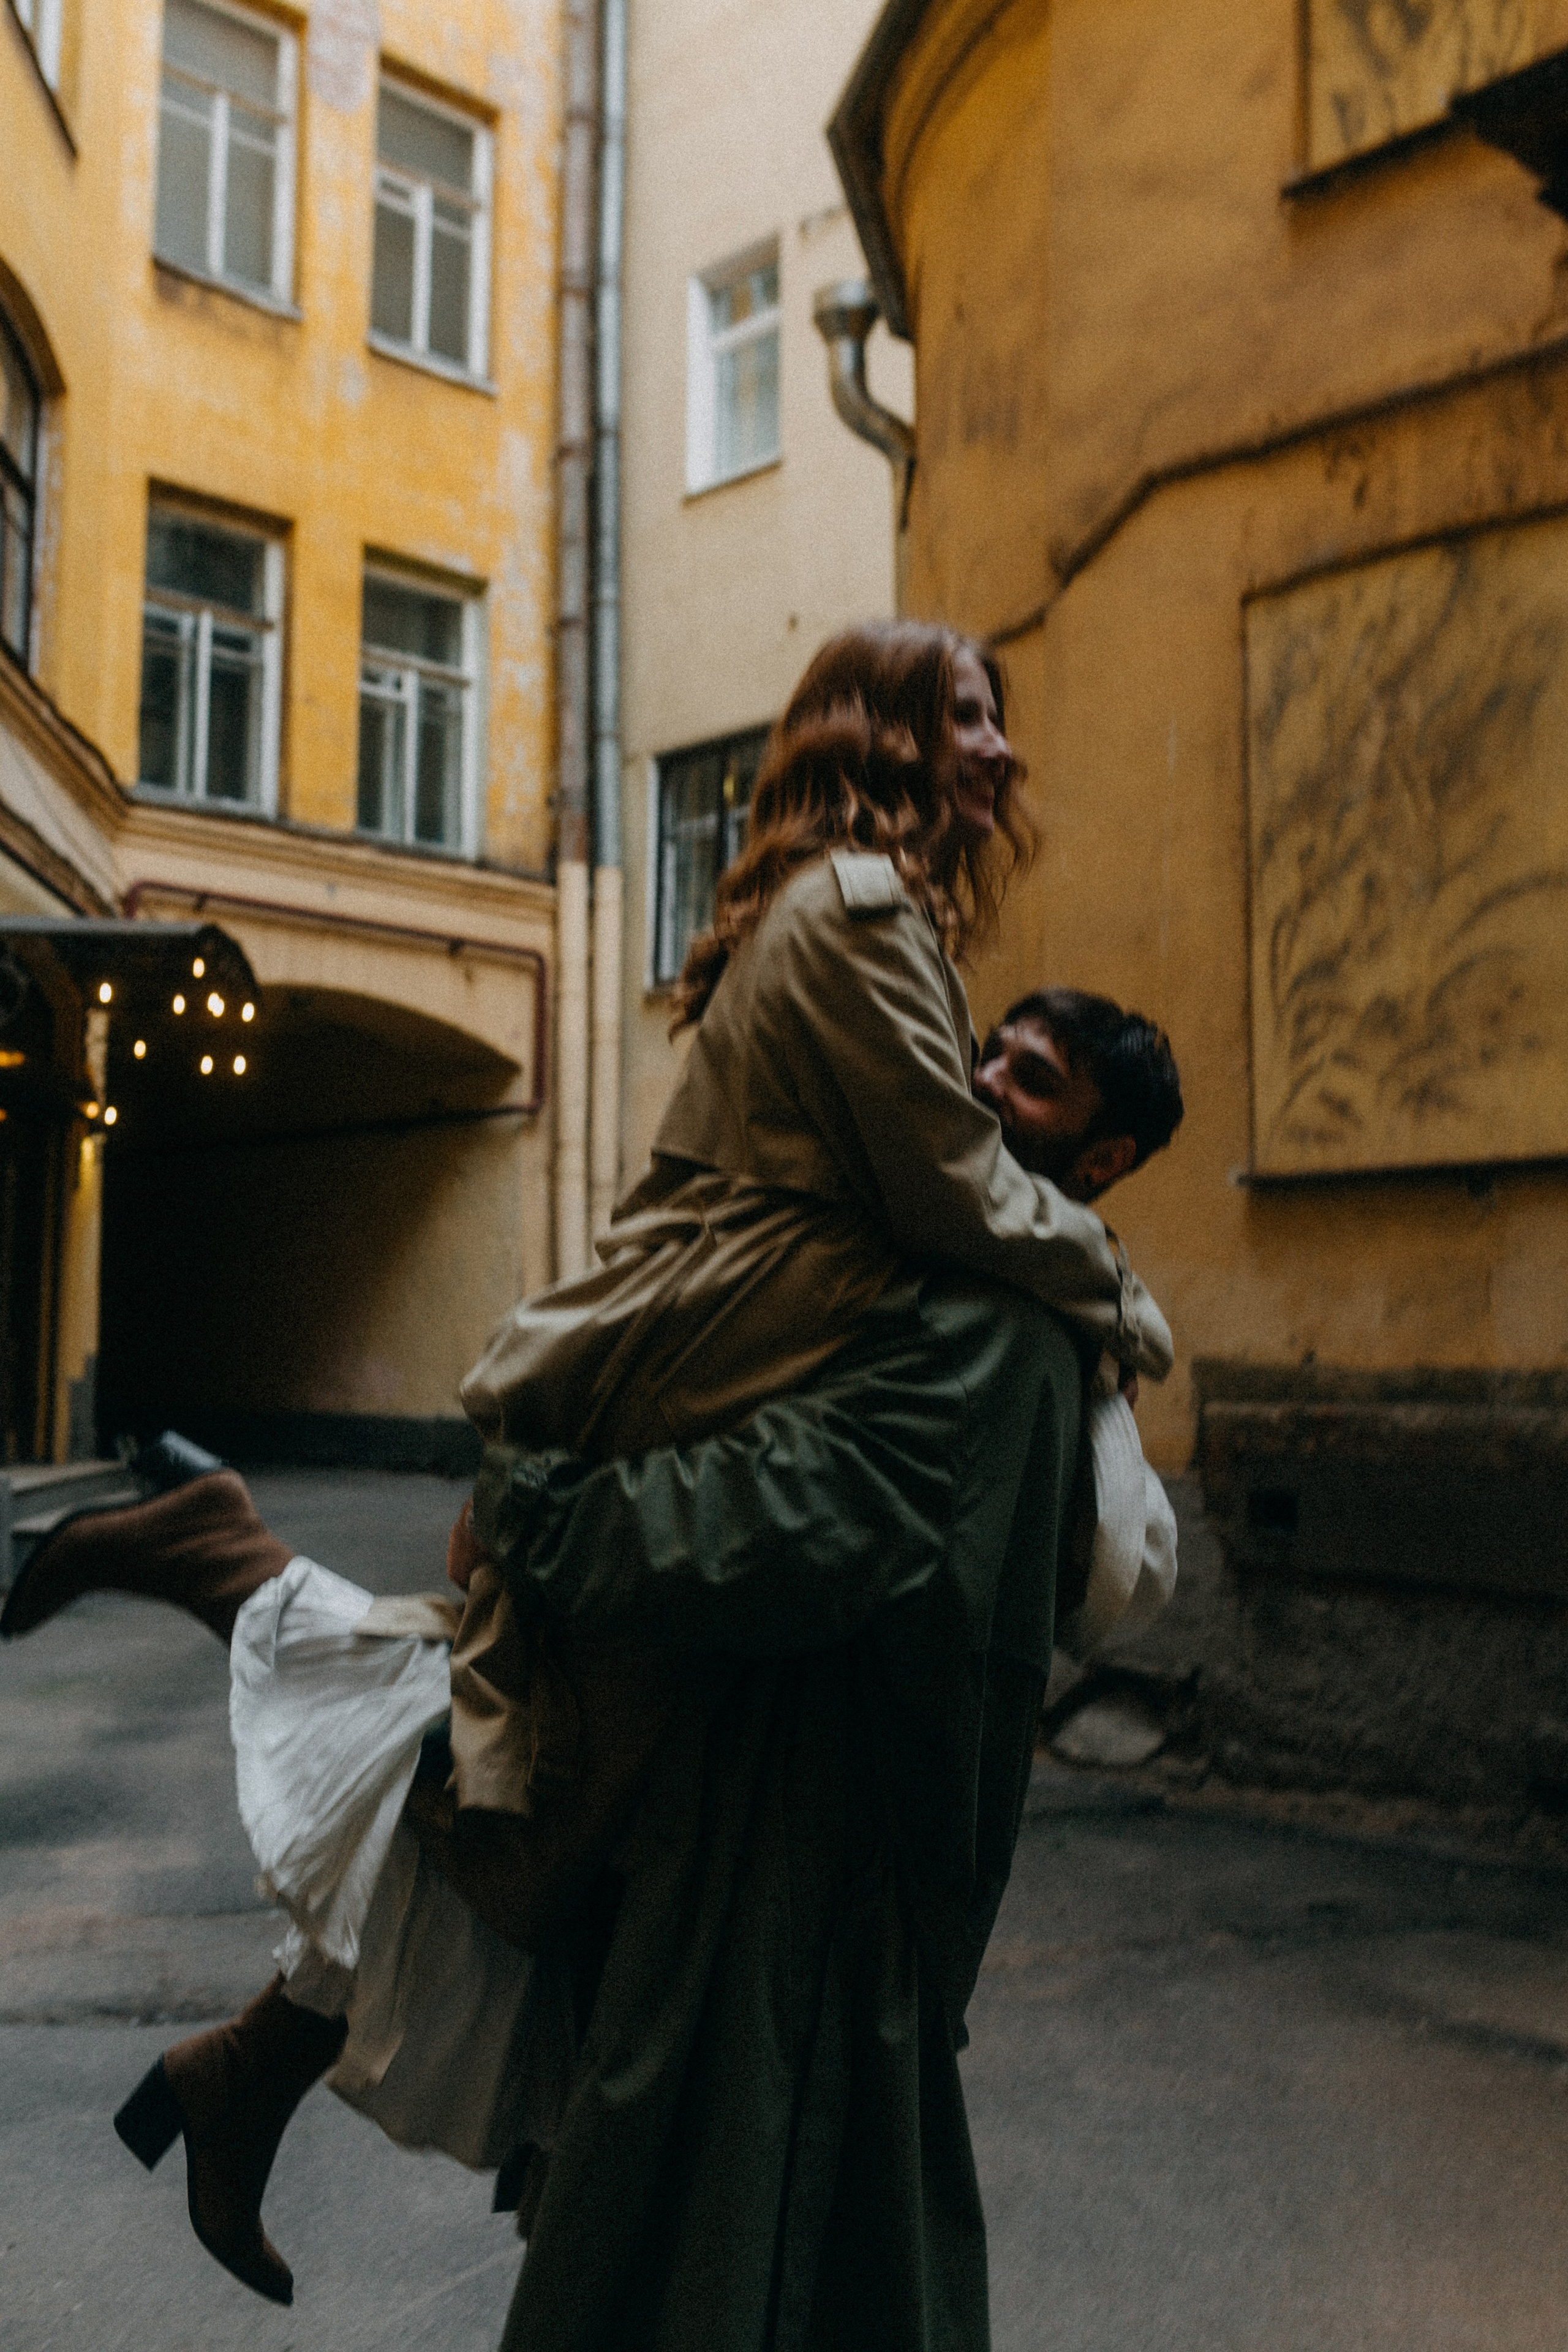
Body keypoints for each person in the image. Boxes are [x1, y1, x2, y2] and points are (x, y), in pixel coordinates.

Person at [2, 624, 1178, 2336]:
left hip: (718, 1344)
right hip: (714, 1352)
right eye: (970, 719)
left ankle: (240, 2063)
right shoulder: (859, 911)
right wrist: (1123, 1295)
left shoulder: (866, 917)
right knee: (516, 1771)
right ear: (888, 739)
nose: (1001, 755)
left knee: (540, 1789)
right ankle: (227, 1571)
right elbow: (951, 1191)